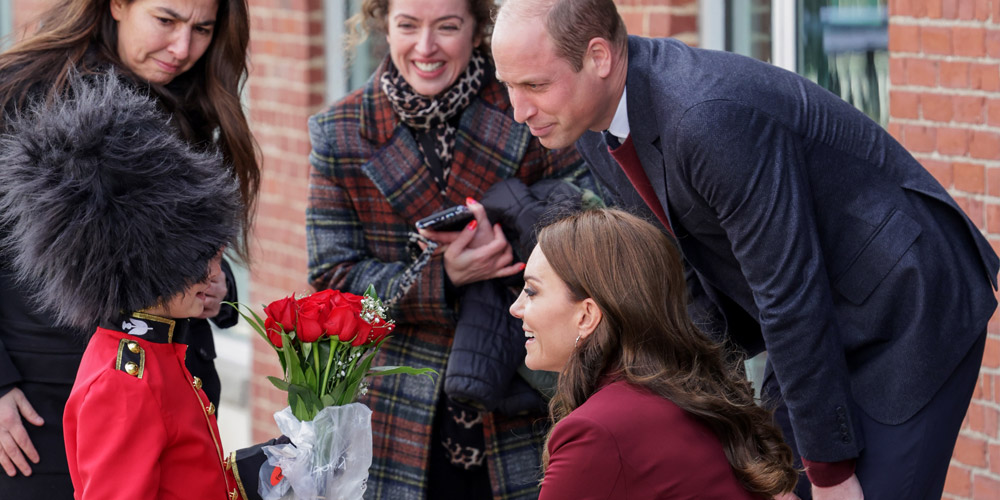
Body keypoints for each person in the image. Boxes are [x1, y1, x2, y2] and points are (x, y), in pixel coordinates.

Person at [491, 1, 999, 499]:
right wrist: (699, 406)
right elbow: (681, 282)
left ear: (598, 57)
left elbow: (789, 292)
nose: (519, 110)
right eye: (508, 85)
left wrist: (830, 472)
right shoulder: (590, 125)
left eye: (535, 84)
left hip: (906, 302)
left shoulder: (705, 115)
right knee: (778, 478)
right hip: (811, 314)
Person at [306, 0, 595, 498]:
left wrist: (510, 240)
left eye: (447, 26)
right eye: (407, 26)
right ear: (383, 26)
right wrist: (443, 278)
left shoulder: (531, 109)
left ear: (478, 28)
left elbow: (593, 234)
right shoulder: (341, 131)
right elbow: (332, 275)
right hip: (401, 410)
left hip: (524, 395)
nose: (425, 47)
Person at [0, 0, 259, 496]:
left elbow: (179, 237)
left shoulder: (192, 96)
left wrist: (217, 285)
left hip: (177, 389)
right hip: (45, 409)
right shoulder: (22, 90)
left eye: (203, 29)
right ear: (117, 4)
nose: (183, 48)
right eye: (166, 20)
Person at [508, 208, 797, 499]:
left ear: (586, 316)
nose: (515, 308)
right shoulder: (685, 395)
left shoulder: (595, 431)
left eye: (531, 291)